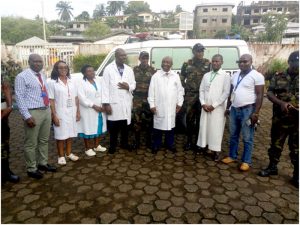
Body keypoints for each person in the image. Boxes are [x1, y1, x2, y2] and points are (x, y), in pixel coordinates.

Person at [258, 51, 299, 188]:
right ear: (289, 62)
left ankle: (297, 175)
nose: (296, 66)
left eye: (298, 63)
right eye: (294, 63)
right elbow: (269, 92)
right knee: (276, 144)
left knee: (296, 148)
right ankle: (272, 167)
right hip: (280, 119)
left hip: (297, 121)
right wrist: (280, 103)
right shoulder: (279, 76)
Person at [15, 54, 57, 179]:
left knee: (44, 140)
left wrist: (49, 108)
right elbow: (19, 97)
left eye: (40, 61)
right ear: (29, 62)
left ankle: (42, 163)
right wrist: (27, 116)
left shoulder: (42, 75)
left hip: (45, 110)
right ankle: (31, 168)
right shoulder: (22, 77)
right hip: (33, 112)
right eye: (35, 61)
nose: (38, 63)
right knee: (31, 143)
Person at [222, 54, 265, 171]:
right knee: (233, 135)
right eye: (240, 62)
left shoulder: (257, 76)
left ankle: (246, 161)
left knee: (247, 137)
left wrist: (256, 113)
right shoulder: (235, 75)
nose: (242, 64)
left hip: (248, 110)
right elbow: (232, 93)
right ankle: (232, 156)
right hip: (234, 109)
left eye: (245, 61)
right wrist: (228, 107)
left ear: (251, 61)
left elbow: (260, 95)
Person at [197, 54, 231, 161]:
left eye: (217, 61)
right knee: (204, 127)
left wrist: (214, 105)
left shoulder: (225, 76)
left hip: (217, 108)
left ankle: (216, 150)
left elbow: (226, 93)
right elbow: (201, 90)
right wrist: (203, 103)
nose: (215, 63)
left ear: (222, 62)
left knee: (216, 129)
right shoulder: (206, 75)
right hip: (205, 106)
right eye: (213, 61)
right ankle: (204, 146)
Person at [102, 48, 136, 154]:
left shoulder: (129, 69)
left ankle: (124, 143)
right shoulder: (108, 69)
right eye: (122, 55)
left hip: (126, 102)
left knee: (125, 126)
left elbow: (134, 83)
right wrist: (106, 104)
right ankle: (113, 145)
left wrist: (128, 87)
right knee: (113, 127)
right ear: (116, 56)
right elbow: (105, 87)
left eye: (125, 55)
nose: (124, 57)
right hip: (114, 103)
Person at [148, 56, 184, 154]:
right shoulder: (155, 76)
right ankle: (156, 145)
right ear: (161, 63)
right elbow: (151, 92)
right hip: (159, 107)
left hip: (172, 107)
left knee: (170, 127)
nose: (165, 64)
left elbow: (180, 91)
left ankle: (170, 144)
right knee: (158, 127)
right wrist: (152, 105)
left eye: (168, 62)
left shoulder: (175, 76)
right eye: (164, 62)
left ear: (171, 64)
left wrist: (179, 104)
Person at [48, 61, 80, 165]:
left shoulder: (72, 81)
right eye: (60, 68)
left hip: (72, 111)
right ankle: (61, 156)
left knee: (70, 134)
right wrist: (54, 115)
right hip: (60, 112)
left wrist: (78, 111)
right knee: (61, 135)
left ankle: (69, 153)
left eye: (65, 67)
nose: (63, 69)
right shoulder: (52, 82)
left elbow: (76, 97)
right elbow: (51, 100)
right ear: (56, 69)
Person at [180, 43, 211, 152]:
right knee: (189, 119)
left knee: (201, 120)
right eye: (198, 51)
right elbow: (181, 78)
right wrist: (186, 88)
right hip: (190, 96)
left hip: (203, 96)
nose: (200, 53)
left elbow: (212, 78)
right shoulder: (186, 64)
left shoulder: (208, 64)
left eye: (202, 51)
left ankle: (199, 142)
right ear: (193, 52)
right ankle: (189, 141)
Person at [77, 65, 107, 156]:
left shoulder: (97, 81)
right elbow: (81, 98)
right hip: (89, 110)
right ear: (84, 73)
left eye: (93, 70)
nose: (92, 72)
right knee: (88, 128)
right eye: (89, 71)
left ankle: (96, 146)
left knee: (98, 127)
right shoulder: (81, 83)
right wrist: (94, 106)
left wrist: (103, 105)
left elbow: (103, 93)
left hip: (100, 109)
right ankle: (88, 148)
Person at [131, 51, 156, 149]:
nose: (145, 60)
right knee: (136, 121)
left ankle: (149, 141)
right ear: (139, 59)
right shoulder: (134, 70)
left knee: (149, 121)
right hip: (137, 99)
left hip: (148, 98)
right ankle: (136, 142)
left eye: (146, 58)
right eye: (143, 58)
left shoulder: (153, 70)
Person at [1, 77, 20, 184]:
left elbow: (9, 106)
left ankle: (6, 172)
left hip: (3, 125)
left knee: (4, 148)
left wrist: (7, 92)